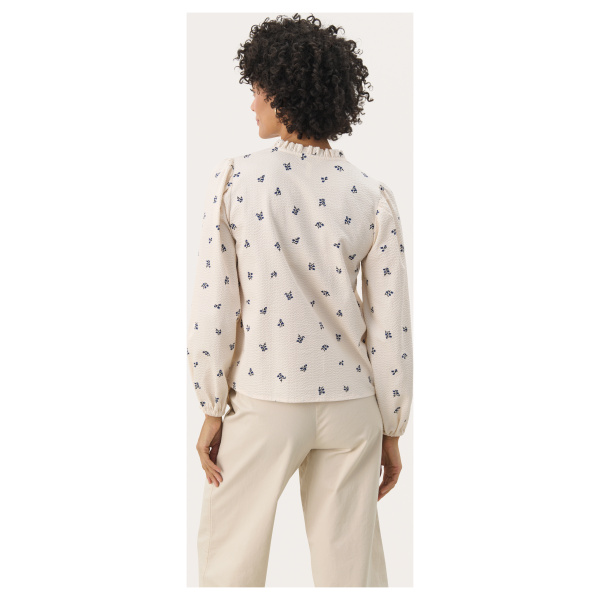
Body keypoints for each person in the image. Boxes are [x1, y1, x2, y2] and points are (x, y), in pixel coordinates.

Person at [187, 13, 413, 587]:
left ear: (285, 92)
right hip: (353, 409)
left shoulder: (238, 181)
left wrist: (212, 405)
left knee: (229, 568)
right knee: (353, 577)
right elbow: (391, 328)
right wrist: (390, 427)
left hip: (265, 399)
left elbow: (216, 307)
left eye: (258, 89)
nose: (252, 103)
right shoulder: (370, 194)